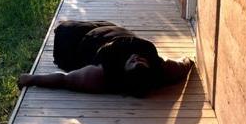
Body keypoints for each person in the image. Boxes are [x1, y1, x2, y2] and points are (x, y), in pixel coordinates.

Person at [17, 20, 194, 97]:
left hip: (85, 40)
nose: (136, 57)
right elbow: (182, 65)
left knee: (64, 29)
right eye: (141, 59)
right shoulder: (159, 70)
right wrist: (189, 60)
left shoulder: (102, 75)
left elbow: (65, 79)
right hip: (112, 29)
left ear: (125, 71)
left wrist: (31, 79)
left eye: (133, 62)